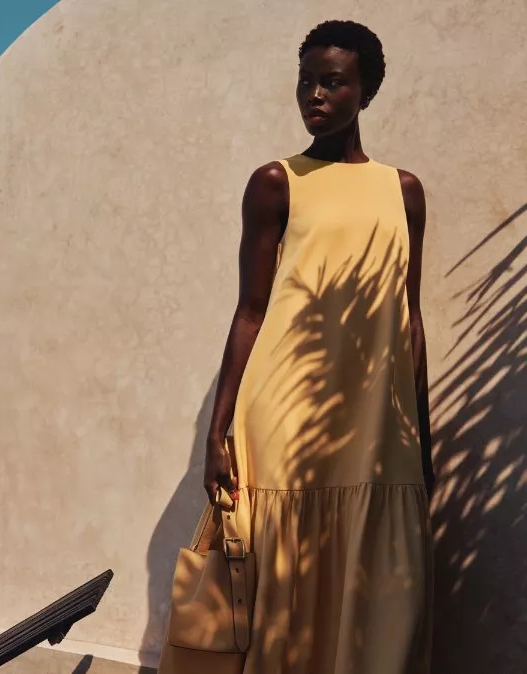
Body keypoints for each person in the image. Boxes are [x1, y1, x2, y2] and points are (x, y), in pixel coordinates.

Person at [189, 19, 436, 673]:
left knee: (385, 597)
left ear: (366, 91)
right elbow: (250, 310)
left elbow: (409, 319)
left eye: (333, 82)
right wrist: (217, 434)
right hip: (281, 422)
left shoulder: (403, 191)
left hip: (377, 424)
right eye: (307, 82)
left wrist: (424, 439)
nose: (315, 96)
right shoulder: (276, 182)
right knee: (277, 590)